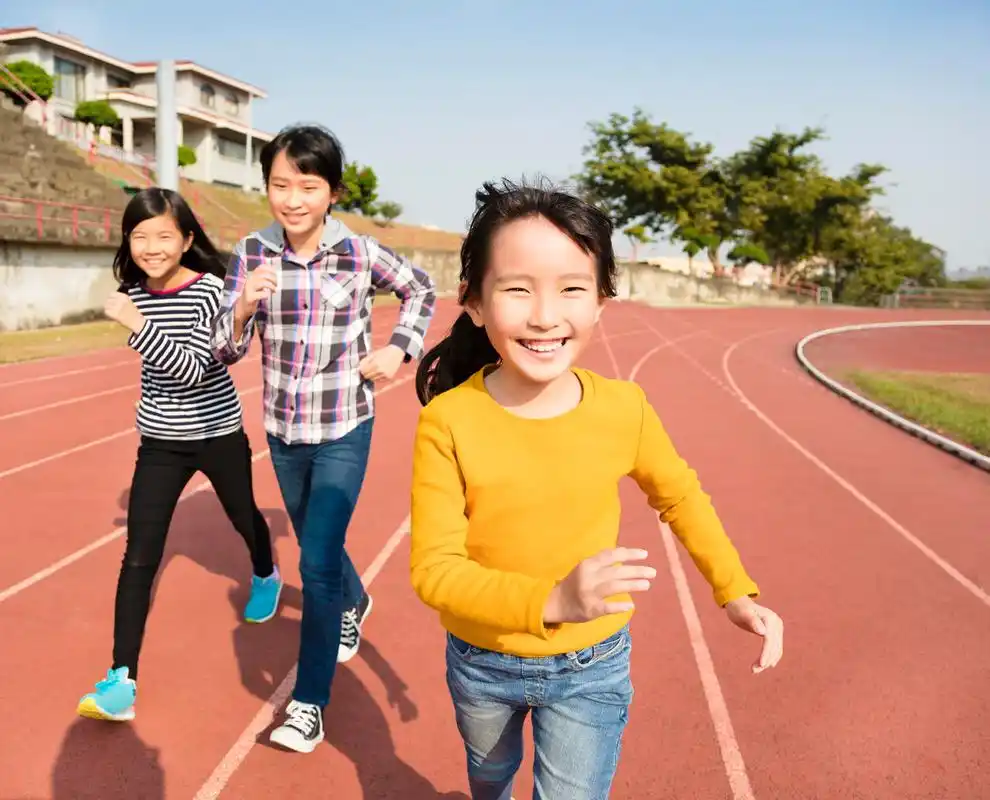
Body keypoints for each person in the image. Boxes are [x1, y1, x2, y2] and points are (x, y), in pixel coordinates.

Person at [409, 179, 784, 799]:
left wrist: (734, 590)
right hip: (482, 659)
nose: (545, 315)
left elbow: (680, 496)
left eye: (571, 289)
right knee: (490, 778)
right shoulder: (448, 420)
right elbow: (435, 570)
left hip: (591, 665)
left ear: (602, 301)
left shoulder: (623, 407)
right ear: (474, 301)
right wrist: (550, 601)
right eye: (517, 289)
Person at [210, 123, 437, 753]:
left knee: (314, 560)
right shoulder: (252, 253)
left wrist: (399, 348)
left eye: (307, 185)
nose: (292, 199)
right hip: (283, 429)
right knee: (320, 543)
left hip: (344, 425)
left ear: (331, 191)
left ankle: (308, 703)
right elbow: (225, 349)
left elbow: (420, 287)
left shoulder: (360, 253)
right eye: (279, 185)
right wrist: (244, 307)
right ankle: (354, 600)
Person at [77, 187, 282, 723]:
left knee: (244, 517)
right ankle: (121, 682)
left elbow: (193, 370)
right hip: (161, 442)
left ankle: (265, 571)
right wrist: (138, 316)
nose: (150, 246)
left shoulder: (212, 290)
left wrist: (137, 325)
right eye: (139, 236)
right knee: (139, 555)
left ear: (187, 239)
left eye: (163, 235)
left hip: (217, 433)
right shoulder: (135, 293)